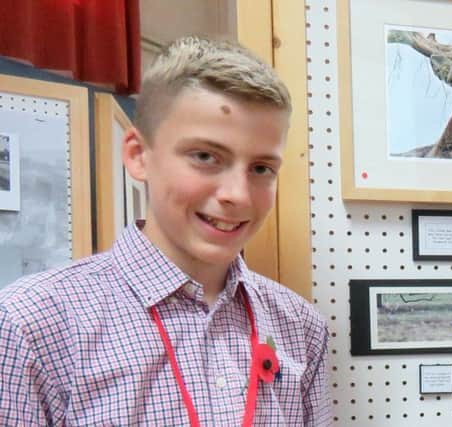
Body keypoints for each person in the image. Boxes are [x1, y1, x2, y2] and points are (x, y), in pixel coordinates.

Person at [0, 36, 331, 426]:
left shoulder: (300, 325)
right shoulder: (31, 325)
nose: (238, 195)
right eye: (206, 156)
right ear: (139, 156)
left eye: (261, 168)